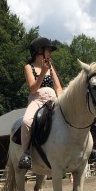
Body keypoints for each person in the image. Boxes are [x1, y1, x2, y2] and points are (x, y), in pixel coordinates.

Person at [18, 37, 63, 169]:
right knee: (26, 121)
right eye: (48, 50)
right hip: (37, 99)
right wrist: (43, 72)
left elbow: (58, 87)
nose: (50, 53)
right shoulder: (28, 67)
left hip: (53, 99)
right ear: (39, 51)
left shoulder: (51, 66)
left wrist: (59, 98)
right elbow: (33, 88)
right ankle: (25, 153)